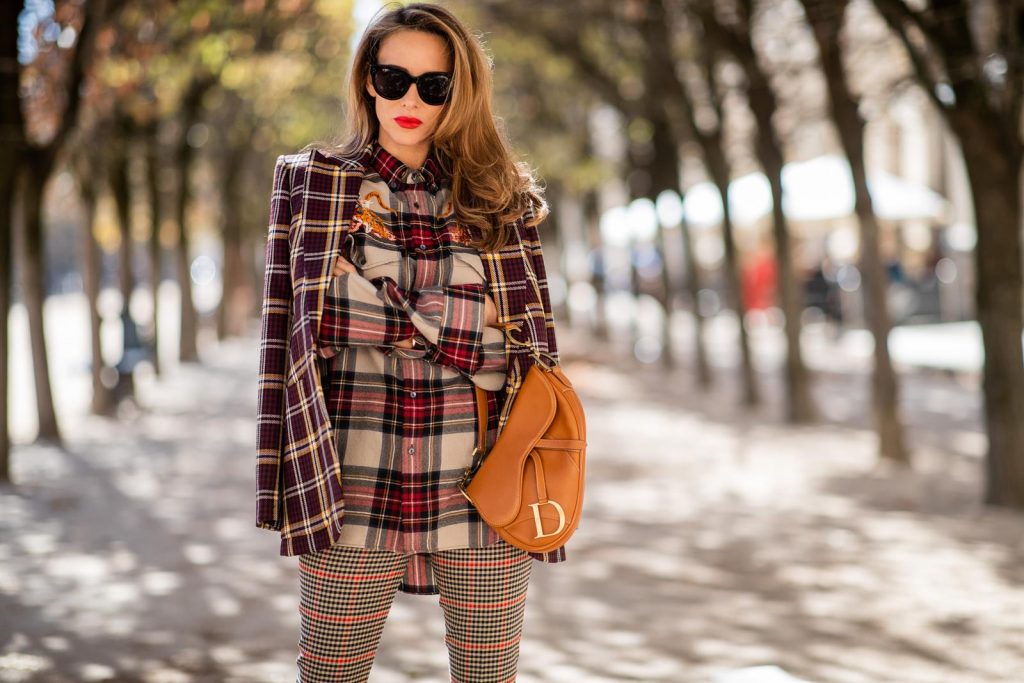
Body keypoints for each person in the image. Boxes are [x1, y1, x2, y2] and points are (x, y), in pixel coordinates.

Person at [254, 4, 564, 681]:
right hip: (353, 491)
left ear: (461, 92)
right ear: (367, 79)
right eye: (393, 77)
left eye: (434, 84)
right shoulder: (312, 187)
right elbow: (305, 327)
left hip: (486, 493)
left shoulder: (499, 200)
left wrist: (367, 300)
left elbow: (513, 358)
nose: (410, 99)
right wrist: (452, 319)